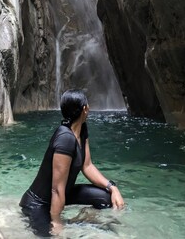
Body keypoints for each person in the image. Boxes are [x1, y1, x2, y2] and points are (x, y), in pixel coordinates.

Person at [20, 89, 124, 236]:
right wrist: (56, 221)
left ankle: (79, 219)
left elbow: (87, 166)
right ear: (85, 109)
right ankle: (69, 222)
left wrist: (112, 187)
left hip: (64, 193)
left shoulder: (82, 129)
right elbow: (56, 189)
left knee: (105, 198)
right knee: (48, 235)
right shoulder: (65, 138)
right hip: (39, 203)